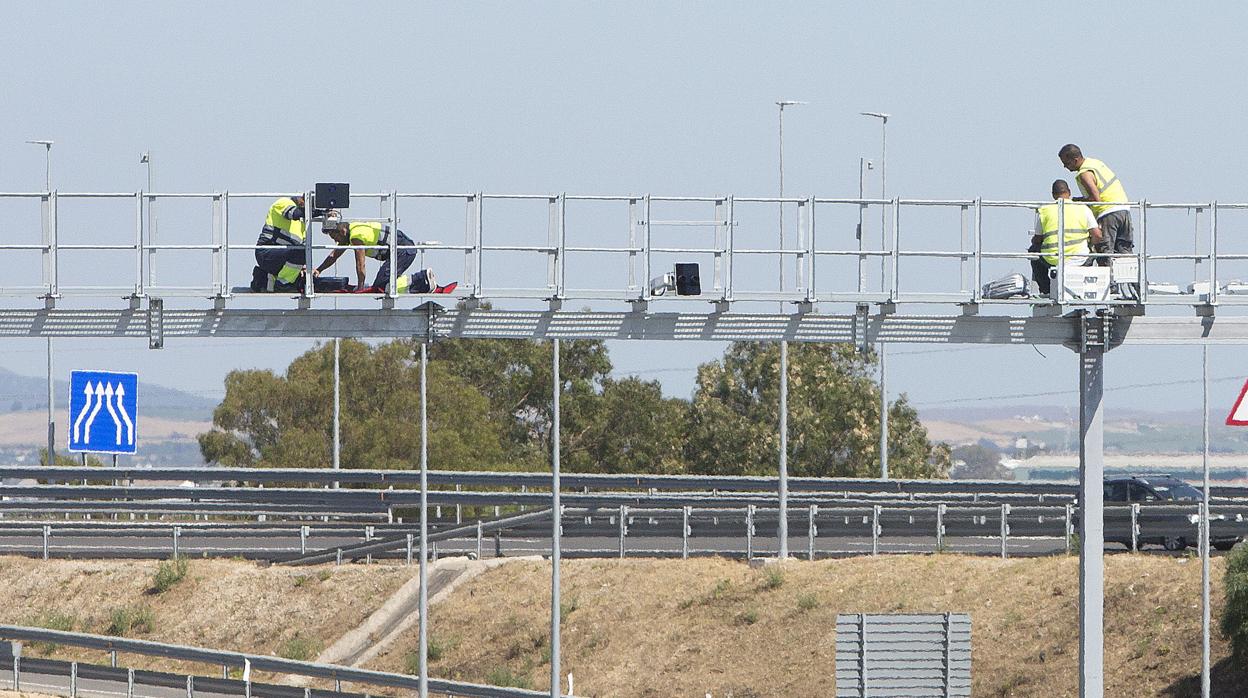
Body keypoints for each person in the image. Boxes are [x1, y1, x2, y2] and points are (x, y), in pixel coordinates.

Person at [1058, 144, 1132, 259]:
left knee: (1104, 251)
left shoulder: (1084, 173)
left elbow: (1096, 198)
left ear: (1075, 160)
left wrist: (1078, 201)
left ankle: (1107, 275)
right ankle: (1128, 276)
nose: (1064, 166)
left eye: (1066, 163)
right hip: (1124, 209)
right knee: (1125, 251)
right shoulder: (1095, 163)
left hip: (1107, 212)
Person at [1030, 179, 1103, 295]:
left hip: (1053, 260)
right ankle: (1090, 287)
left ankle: (1046, 290)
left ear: (1053, 195)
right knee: (1095, 251)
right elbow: (1098, 235)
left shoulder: (1045, 211)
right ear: (1069, 192)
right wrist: (1091, 244)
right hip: (1080, 258)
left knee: (1033, 252)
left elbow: (1037, 239)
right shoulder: (1083, 209)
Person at [313, 217, 420, 292]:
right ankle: (416, 281)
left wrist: (360, 286)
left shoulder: (356, 237)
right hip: (400, 250)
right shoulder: (351, 230)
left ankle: (420, 279)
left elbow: (361, 264)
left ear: (342, 232)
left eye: (335, 238)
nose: (336, 241)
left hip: (404, 250)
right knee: (383, 283)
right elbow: (334, 256)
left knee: (381, 286)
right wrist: (319, 270)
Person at [250, 195, 325, 292]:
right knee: (301, 251)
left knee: (303, 256)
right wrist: (320, 212)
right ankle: (282, 284)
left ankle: (264, 281)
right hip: (266, 252)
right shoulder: (284, 202)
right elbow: (294, 213)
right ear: (302, 199)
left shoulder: (301, 224)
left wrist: (302, 267)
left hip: (279, 257)